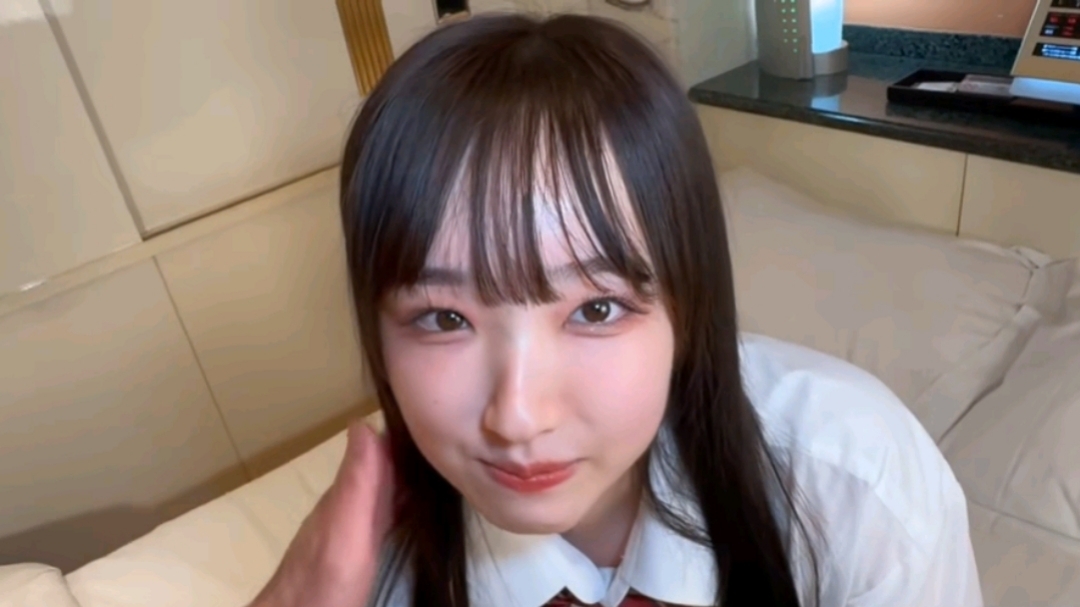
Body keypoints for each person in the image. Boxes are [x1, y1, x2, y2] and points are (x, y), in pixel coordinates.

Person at [250, 12, 983, 607]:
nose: (518, 417)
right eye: (446, 318)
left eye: (596, 309)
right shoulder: (366, 575)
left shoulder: (853, 488)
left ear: (689, 303)